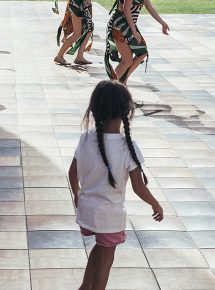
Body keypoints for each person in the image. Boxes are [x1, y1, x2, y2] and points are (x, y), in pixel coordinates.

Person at [68, 80, 164, 290]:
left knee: (100, 247)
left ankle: (85, 287)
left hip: (87, 211)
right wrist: (155, 204)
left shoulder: (86, 138)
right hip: (109, 216)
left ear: (94, 109)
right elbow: (139, 188)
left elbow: (72, 172)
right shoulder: (127, 147)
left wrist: (77, 194)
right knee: (106, 263)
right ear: (127, 111)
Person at [105, 0, 170, 85]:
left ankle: (122, 81)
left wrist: (163, 23)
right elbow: (126, 9)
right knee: (128, 60)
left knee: (142, 52)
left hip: (128, 27)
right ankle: (111, 87)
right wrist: (134, 32)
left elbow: (149, 7)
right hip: (118, 26)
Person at [53, 0, 94, 65]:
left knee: (89, 29)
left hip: (80, 6)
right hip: (77, 6)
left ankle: (79, 56)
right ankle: (59, 56)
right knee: (77, 34)